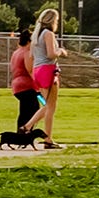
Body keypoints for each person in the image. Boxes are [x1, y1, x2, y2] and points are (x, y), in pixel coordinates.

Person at [1, 22, 42, 148]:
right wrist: (39, 84)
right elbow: (30, 70)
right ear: (31, 41)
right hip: (28, 86)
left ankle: (20, 136)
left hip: (17, 87)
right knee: (37, 109)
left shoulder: (16, 52)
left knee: (25, 111)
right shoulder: (27, 52)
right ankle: (25, 134)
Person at [30, 9, 65, 144]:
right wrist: (60, 51)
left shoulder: (36, 35)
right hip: (47, 70)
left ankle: (27, 127)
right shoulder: (48, 34)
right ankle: (47, 138)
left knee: (46, 105)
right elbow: (51, 54)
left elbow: (32, 56)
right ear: (52, 20)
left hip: (37, 70)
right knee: (51, 106)